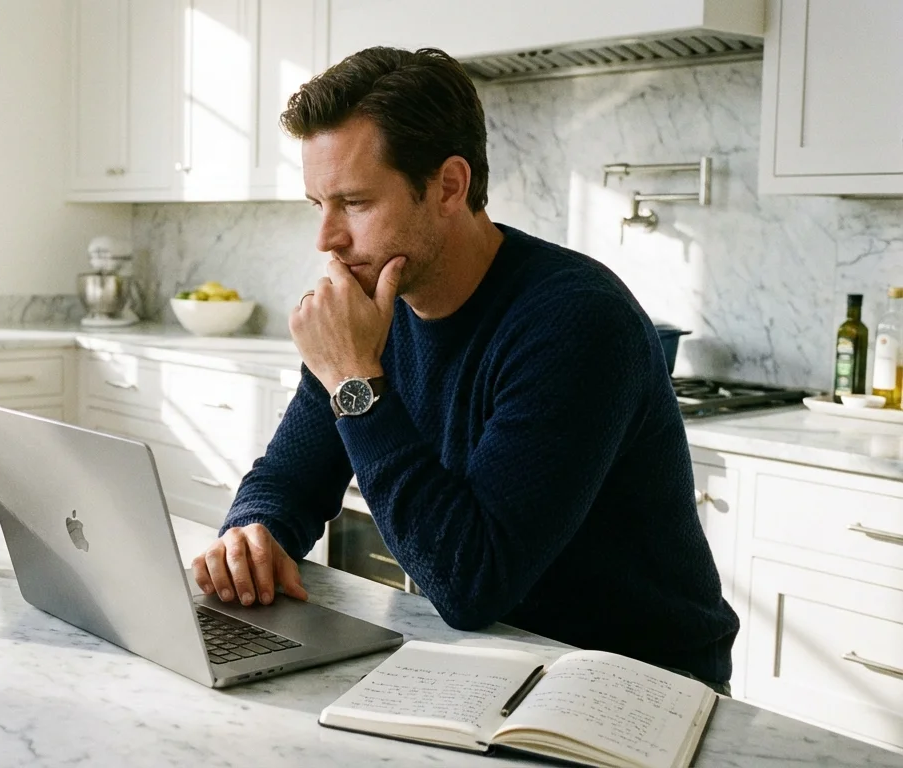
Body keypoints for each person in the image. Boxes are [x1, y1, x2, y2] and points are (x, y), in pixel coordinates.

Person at [189, 46, 739, 693]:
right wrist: (252, 533)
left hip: (637, 686)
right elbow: (288, 477)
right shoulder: (374, 311)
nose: (327, 239)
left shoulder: (575, 321)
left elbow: (471, 582)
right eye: (318, 204)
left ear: (449, 186)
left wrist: (354, 380)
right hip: (490, 664)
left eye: (355, 203)